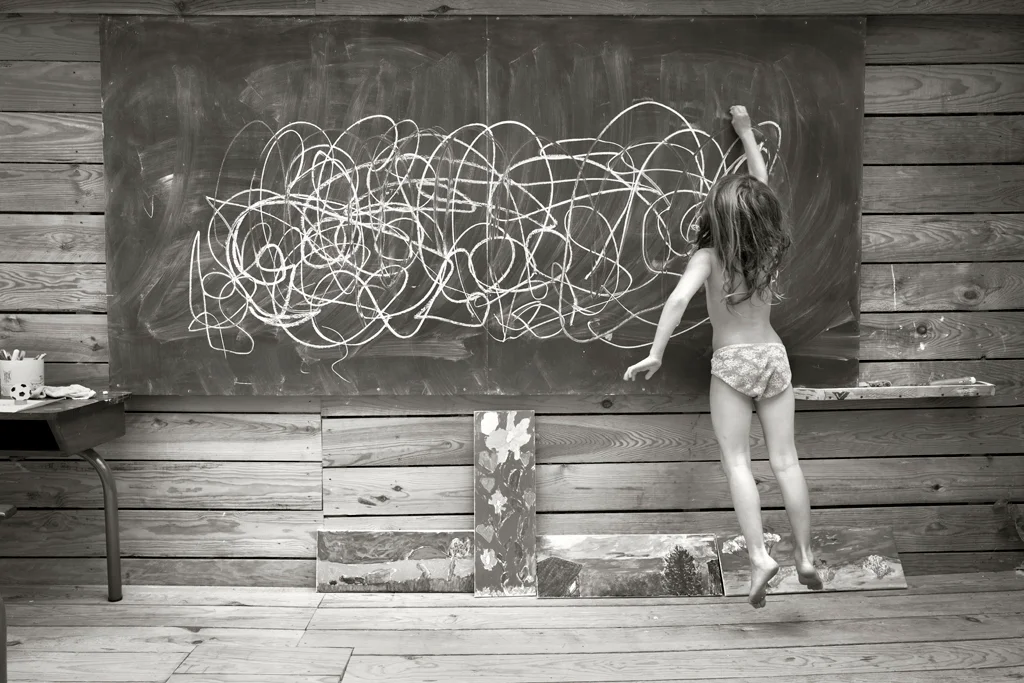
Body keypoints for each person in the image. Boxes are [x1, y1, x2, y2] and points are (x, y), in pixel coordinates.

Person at [624, 105, 822, 608]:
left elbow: (677, 301)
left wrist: (655, 353)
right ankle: (803, 556)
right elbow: (760, 185)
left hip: (733, 361)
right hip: (774, 357)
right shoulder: (769, 247)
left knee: (737, 460)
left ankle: (760, 557)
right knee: (787, 460)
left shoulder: (709, 257)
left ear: (716, 216)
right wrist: (746, 133)